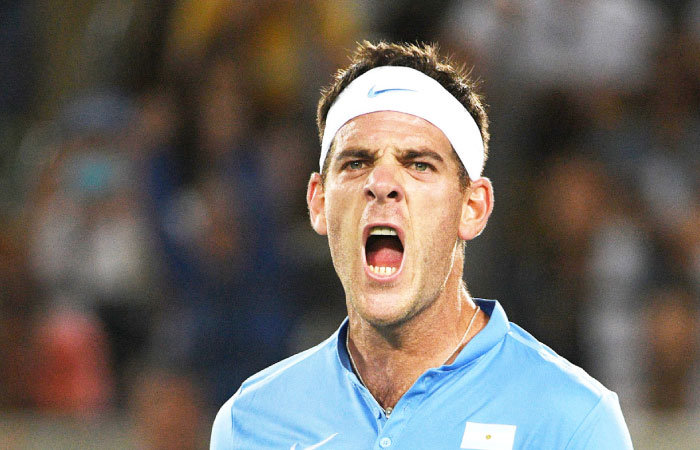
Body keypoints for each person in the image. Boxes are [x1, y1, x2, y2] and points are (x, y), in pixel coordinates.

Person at [210, 42, 633, 449]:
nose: (382, 184)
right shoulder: (250, 422)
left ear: (472, 207)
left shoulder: (573, 421)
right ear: (319, 202)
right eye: (357, 162)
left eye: (418, 164)